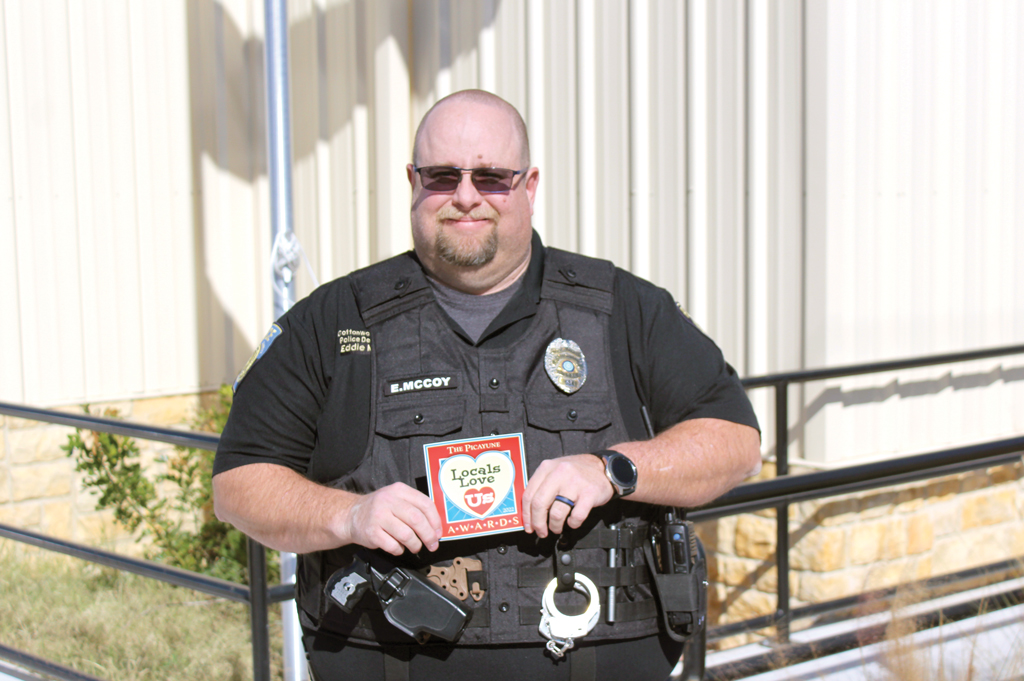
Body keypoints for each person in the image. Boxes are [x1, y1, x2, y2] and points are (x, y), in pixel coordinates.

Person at [213, 89, 761, 681]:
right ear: (413, 182)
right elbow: (240, 484)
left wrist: (612, 470)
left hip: (597, 658)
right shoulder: (334, 320)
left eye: (492, 177)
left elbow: (735, 442)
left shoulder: (622, 308)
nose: (466, 195)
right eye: (443, 175)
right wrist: (349, 515)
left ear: (529, 186)